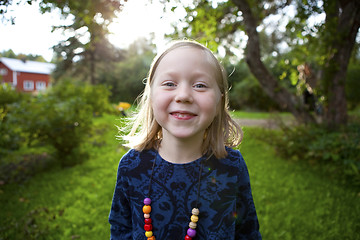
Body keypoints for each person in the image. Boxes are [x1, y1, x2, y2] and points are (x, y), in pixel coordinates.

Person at [109, 40, 261, 240]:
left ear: (219, 102)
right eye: (170, 84)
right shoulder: (132, 165)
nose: (183, 96)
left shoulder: (231, 166)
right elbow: (121, 231)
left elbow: (247, 232)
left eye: (200, 85)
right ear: (152, 96)